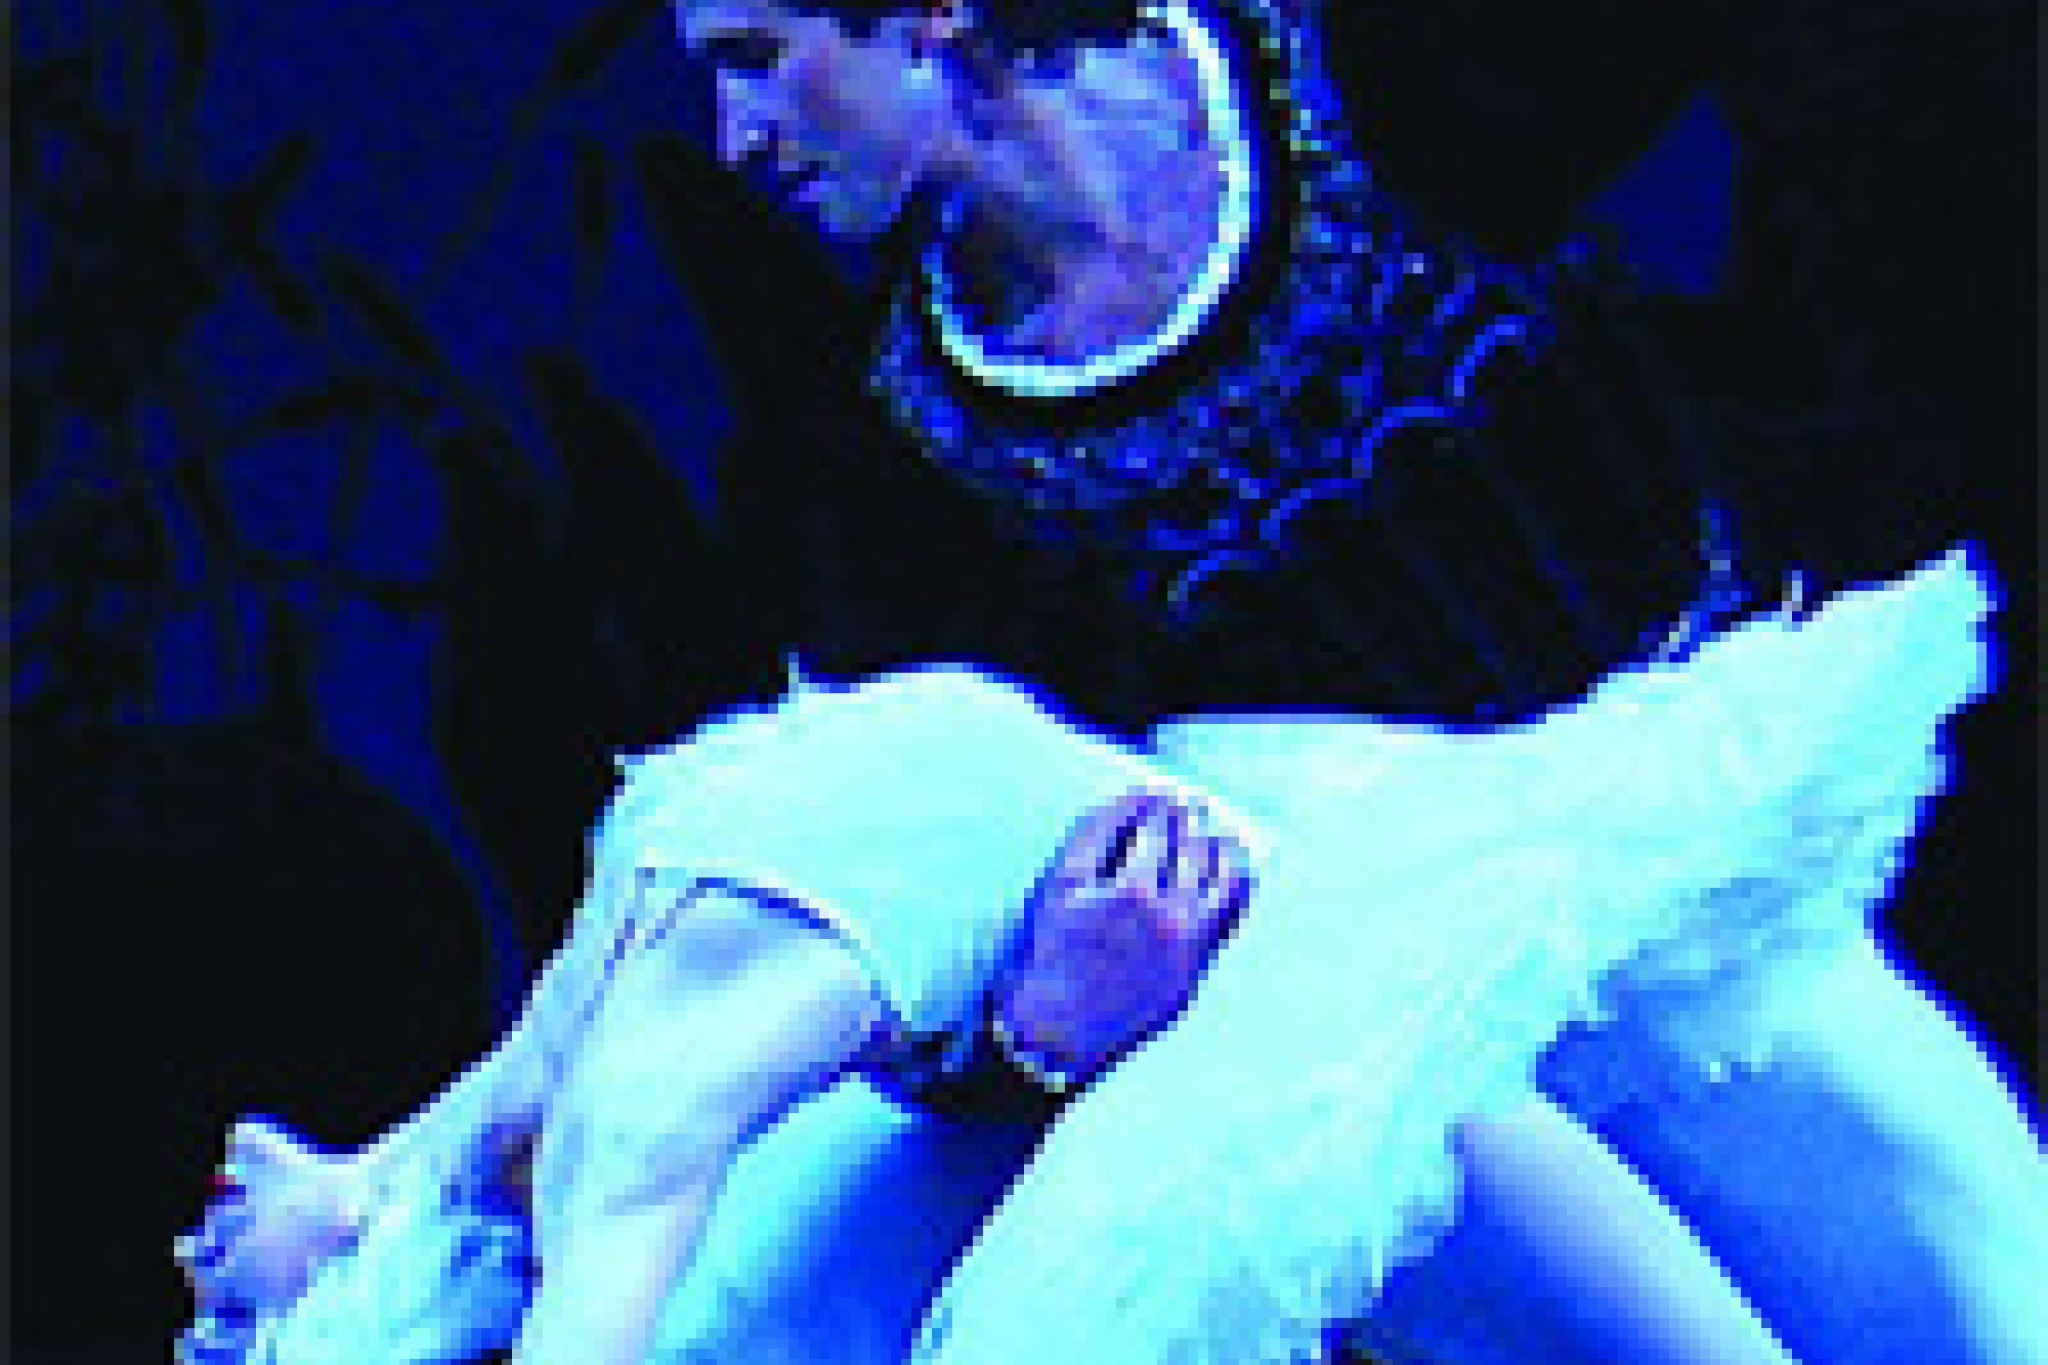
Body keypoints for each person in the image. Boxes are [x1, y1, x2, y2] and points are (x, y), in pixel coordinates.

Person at [178, 3, 2043, 1363]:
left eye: (759, 57)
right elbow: (878, 877)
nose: (736, 140)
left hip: (1700, 871)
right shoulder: (900, 459)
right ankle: (400, 1218)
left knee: (1982, 1297)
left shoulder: (1361, 68)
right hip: (1377, 985)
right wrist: (1042, 1035)